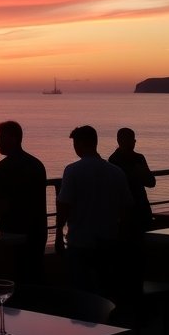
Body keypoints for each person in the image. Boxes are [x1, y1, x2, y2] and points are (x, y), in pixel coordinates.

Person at [55, 126, 134, 304]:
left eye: (75, 143)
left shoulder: (73, 170)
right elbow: (127, 206)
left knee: (80, 291)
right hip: (109, 240)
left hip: (79, 241)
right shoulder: (116, 172)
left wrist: (58, 232)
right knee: (106, 289)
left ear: (82, 143)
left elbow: (64, 204)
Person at [0, 121, 48, 284]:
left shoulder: (3, 167)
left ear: (12, 138)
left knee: (11, 280)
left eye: (0, 137)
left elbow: (3, 204)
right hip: (38, 232)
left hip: (13, 233)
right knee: (32, 278)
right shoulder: (37, 164)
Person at [109, 128, 156, 234]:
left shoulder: (139, 158)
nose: (132, 143)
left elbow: (151, 182)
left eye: (133, 140)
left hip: (142, 208)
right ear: (119, 141)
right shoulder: (114, 160)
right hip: (126, 212)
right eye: (129, 140)